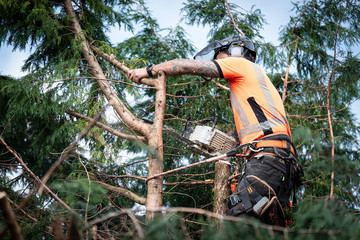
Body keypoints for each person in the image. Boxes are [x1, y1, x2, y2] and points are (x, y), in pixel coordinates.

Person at [127, 35, 303, 226]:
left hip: (268, 160)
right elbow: (260, 130)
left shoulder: (240, 64)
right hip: (279, 163)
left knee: (237, 225)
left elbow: (186, 66)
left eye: (218, 57)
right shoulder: (253, 87)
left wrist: (148, 70)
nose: (216, 62)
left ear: (235, 52)